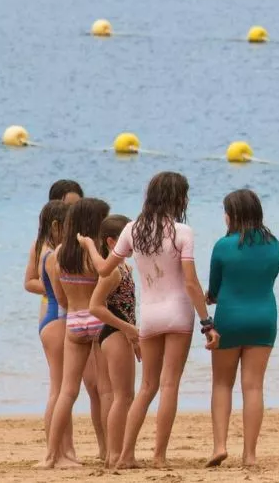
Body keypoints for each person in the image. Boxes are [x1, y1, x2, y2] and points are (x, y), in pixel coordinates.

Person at [92, 172, 219, 469]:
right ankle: (159, 456)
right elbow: (190, 283)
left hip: (148, 315)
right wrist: (206, 322)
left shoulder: (131, 230)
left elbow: (104, 269)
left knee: (147, 386)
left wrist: (88, 247)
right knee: (169, 384)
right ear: (178, 198)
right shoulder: (183, 232)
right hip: (178, 313)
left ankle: (125, 455)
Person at [206, 189, 279, 469]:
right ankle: (249, 455)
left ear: (232, 216)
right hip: (264, 318)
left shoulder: (223, 246)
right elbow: (269, 278)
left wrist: (210, 297)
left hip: (230, 319)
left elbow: (214, 289)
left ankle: (220, 446)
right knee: (253, 387)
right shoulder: (274, 244)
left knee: (222, 383)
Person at [40, 197, 111, 469]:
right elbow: (106, 290)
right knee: (105, 391)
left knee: (67, 391)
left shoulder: (58, 255)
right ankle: (109, 450)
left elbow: (59, 296)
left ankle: (50, 455)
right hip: (97, 321)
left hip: (72, 322)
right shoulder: (96, 254)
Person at [24, 200, 75, 464]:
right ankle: (55, 453)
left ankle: (63, 451)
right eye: (67, 226)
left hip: (50, 320)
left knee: (59, 387)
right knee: (59, 389)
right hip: (57, 319)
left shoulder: (43, 250)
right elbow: (62, 296)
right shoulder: (53, 255)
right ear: (56, 226)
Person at [89, 214, 138, 467]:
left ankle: (113, 453)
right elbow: (95, 307)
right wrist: (127, 328)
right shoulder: (112, 271)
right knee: (123, 396)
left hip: (120, 333)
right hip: (114, 333)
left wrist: (133, 333)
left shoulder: (124, 267)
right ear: (111, 241)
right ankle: (116, 455)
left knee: (123, 395)